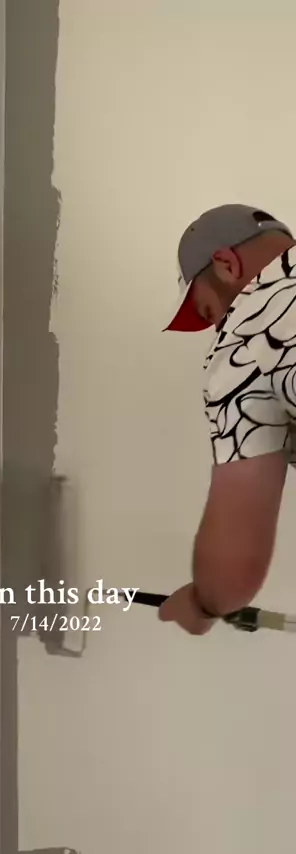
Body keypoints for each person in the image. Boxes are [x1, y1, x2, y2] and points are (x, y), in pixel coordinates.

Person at [158, 203, 296, 635]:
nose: (219, 327)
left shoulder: (246, 339)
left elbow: (232, 574)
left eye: (209, 312)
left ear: (226, 264)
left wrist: (202, 603)